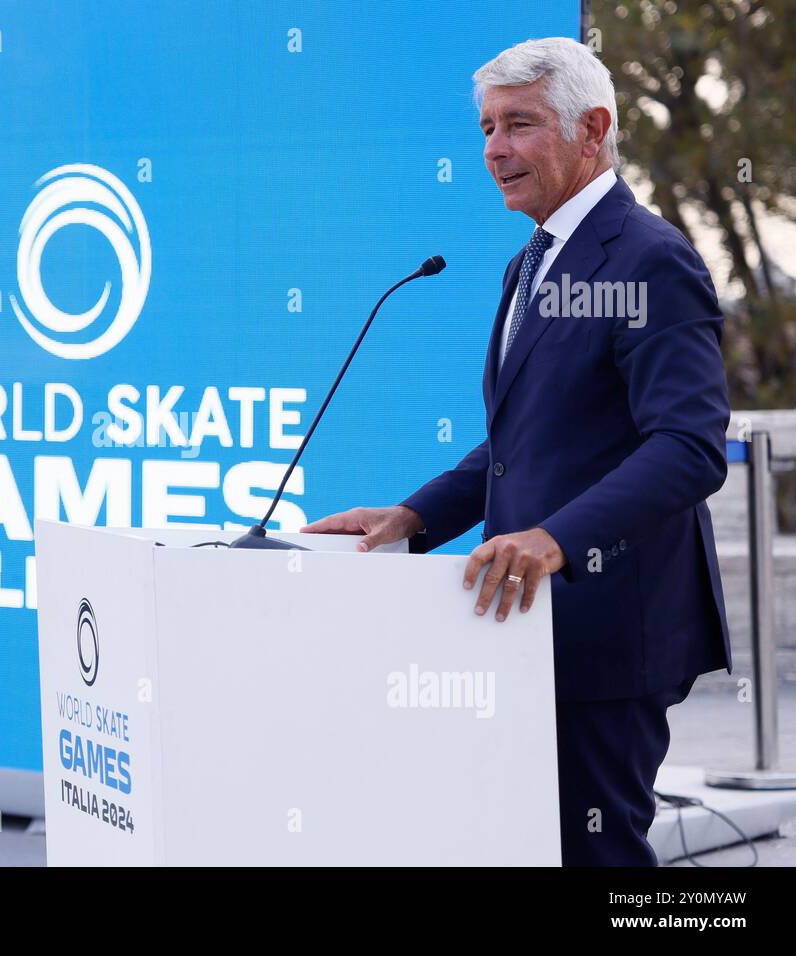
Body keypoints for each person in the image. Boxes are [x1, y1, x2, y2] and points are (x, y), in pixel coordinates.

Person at [304, 37, 732, 867]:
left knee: (599, 854)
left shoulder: (650, 260)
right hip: (525, 627)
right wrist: (417, 514)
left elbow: (688, 447)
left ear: (592, 129)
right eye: (487, 127)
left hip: (611, 629)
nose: (495, 149)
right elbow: (524, 436)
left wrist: (556, 539)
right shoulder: (529, 261)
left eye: (520, 125)